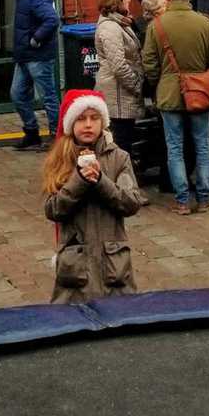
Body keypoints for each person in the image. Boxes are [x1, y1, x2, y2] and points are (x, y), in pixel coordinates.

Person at [43, 90, 140, 303]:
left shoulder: (119, 158)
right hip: (75, 273)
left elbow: (131, 203)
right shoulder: (60, 160)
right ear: (70, 124)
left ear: (103, 122)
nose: (88, 125)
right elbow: (53, 209)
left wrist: (100, 182)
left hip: (113, 270)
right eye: (81, 119)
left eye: (94, 118)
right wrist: (78, 181)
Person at [142, 0, 209, 215]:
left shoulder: (156, 26)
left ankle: (182, 200)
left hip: (169, 92)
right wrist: (204, 75)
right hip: (200, 91)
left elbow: (149, 63)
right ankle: (204, 198)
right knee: (202, 145)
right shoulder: (204, 23)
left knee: (175, 147)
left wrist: (159, 83)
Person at [9, 0, 60, 153]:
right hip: (25, 56)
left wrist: (36, 39)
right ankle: (31, 133)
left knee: (48, 97)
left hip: (38, 56)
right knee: (17, 95)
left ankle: (56, 137)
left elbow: (51, 19)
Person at [93, 0, 145, 156]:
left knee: (124, 141)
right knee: (120, 145)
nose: (130, 1)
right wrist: (137, 85)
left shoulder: (120, 23)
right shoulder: (110, 27)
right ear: (117, 2)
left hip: (122, 94)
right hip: (117, 94)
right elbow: (118, 66)